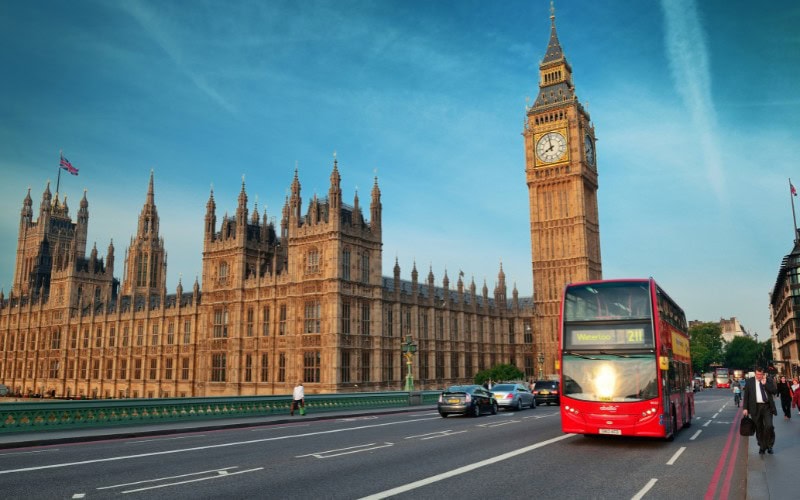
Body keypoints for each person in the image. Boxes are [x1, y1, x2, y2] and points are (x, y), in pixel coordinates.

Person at [742, 367, 778, 454]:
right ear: (755, 374)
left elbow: (774, 391)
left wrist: (765, 384)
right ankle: (762, 446)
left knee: (769, 426)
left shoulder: (768, 380)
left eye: (761, 374)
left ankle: (769, 446)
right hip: (755, 407)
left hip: (767, 407)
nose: (759, 376)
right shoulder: (749, 382)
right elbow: (746, 395)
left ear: (763, 374)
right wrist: (745, 408)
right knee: (759, 428)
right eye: (757, 374)